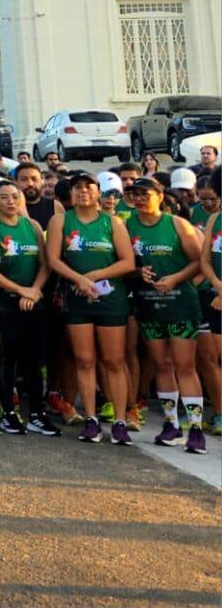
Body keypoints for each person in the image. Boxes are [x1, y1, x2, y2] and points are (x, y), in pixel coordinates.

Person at [44, 173, 137, 444]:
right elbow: (53, 259)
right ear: (71, 193)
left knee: (114, 360)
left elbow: (127, 262)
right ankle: (92, 419)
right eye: (77, 188)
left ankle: (119, 420)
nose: (83, 191)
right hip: (77, 297)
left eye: (89, 187)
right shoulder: (61, 220)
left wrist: (93, 276)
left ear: (98, 192)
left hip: (110, 298)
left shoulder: (113, 222)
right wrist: (79, 279)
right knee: (84, 360)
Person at [125, 178, 207, 453]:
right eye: (134, 194)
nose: (138, 199)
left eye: (144, 193)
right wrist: (138, 273)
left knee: (185, 365)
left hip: (180, 302)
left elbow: (199, 262)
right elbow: (124, 263)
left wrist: (174, 279)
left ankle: (195, 428)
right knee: (161, 364)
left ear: (159, 196)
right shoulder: (128, 226)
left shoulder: (177, 224)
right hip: (148, 303)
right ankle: (171, 424)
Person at [0, 180, 58, 436]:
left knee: (33, 358)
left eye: (14, 196)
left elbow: (45, 264)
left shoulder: (32, 226)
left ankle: (36, 414)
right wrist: (21, 290)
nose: (10, 201)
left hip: (32, 300)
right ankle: (9, 412)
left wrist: (34, 291)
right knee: (6, 358)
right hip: (3, 302)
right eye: (4, 197)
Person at [197, 171, 222, 436]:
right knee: (211, 357)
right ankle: (219, 411)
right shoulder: (215, 219)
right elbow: (204, 260)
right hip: (213, 296)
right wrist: (217, 284)